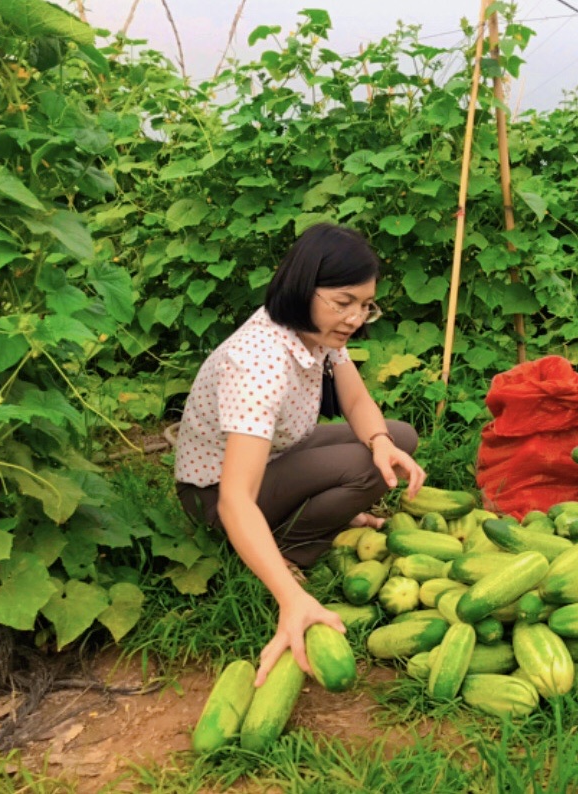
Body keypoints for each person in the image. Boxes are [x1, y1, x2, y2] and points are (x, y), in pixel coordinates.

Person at [174, 223, 425, 684]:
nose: (354, 318)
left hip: (271, 458)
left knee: (396, 439)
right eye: (344, 302)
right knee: (359, 468)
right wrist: (290, 600)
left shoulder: (317, 331)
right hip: (211, 496)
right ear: (303, 287)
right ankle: (289, 546)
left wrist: (381, 442)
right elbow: (235, 499)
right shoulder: (258, 362)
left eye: (365, 306)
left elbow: (354, 401)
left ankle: (301, 514)